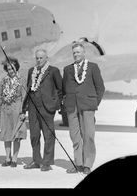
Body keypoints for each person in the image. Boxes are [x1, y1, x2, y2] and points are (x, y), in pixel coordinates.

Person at [62, 42, 105, 175]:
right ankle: (78, 164)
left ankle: (87, 164)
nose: (76, 55)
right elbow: (64, 88)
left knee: (88, 136)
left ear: (84, 53)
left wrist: (93, 103)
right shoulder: (67, 69)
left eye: (78, 52)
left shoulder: (92, 67)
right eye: (74, 52)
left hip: (88, 106)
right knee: (75, 136)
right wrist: (66, 103)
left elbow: (100, 88)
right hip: (72, 107)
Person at [22, 49, 63, 172]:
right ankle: (36, 160)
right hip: (33, 107)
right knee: (34, 135)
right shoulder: (31, 71)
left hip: (47, 108)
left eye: (41, 58)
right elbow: (29, 88)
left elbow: (60, 89)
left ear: (46, 58)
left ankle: (47, 162)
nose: (39, 60)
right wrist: (25, 107)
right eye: (37, 58)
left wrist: (55, 104)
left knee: (48, 135)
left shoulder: (53, 70)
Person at [0, 57, 27, 168]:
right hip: (5, 109)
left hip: (17, 109)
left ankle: (14, 159)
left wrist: (23, 111)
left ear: (16, 68)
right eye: (8, 68)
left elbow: (24, 96)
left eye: (12, 68)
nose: (10, 71)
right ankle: (7, 158)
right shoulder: (3, 80)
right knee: (6, 133)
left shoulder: (21, 79)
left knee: (17, 134)